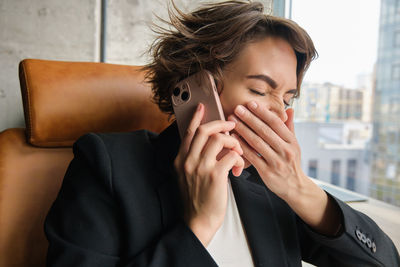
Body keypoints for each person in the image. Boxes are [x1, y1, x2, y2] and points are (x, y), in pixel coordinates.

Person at [45, 1, 400, 266]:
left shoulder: (268, 183)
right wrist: (198, 225)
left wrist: (298, 188)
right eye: (261, 91)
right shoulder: (106, 165)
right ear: (200, 86)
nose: (279, 112)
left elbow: (383, 261)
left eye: (288, 98)